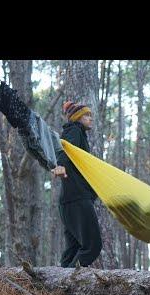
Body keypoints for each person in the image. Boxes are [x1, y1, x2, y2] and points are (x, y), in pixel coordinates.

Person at [51, 101, 102, 267]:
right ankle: (71, 281)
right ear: (77, 118)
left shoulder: (77, 132)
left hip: (68, 201)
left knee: (73, 248)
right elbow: (66, 148)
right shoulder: (74, 130)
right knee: (92, 246)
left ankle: (58, 282)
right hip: (78, 198)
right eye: (87, 115)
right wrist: (60, 165)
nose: (90, 119)